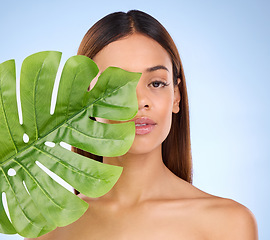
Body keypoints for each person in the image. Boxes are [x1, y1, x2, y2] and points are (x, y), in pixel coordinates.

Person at [27, 10, 258, 240]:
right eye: (116, 86)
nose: (140, 102)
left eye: (156, 83)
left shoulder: (229, 224)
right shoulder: (49, 229)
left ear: (175, 96)